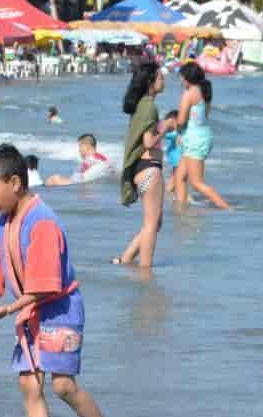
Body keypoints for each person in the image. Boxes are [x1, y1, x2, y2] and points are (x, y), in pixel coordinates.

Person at [0, 143, 123, 417]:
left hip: (59, 310)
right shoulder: (2, 225)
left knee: (63, 385)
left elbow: (46, 284)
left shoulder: (43, 222)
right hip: (28, 313)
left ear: (15, 183)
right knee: (28, 383)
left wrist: (6, 309)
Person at [114, 62, 165, 269]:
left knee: (154, 223)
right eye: (160, 77)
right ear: (151, 82)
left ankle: (126, 258)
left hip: (141, 170)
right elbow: (148, 142)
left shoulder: (141, 105)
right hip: (150, 169)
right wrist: (166, 128)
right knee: (152, 224)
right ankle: (145, 271)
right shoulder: (149, 107)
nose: (164, 80)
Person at [175, 61, 232, 210]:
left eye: (181, 78)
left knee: (196, 183)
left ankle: (227, 209)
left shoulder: (188, 94)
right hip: (200, 136)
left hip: (194, 140)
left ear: (187, 78)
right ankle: (181, 210)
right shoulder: (204, 91)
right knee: (180, 178)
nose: (180, 81)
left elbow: (181, 120)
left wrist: (172, 127)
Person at [44, 134, 113, 187]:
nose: (79, 150)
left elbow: (81, 179)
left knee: (54, 178)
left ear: (86, 146)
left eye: (80, 146)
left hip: (84, 184)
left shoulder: (91, 159)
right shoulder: (100, 158)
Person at [161, 111, 185, 201]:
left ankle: (174, 199)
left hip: (180, 163)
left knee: (172, 184)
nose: (170, 126)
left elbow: (163, 134)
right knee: (179, 181)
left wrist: (165, 126)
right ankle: (178, 198)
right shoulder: (181, 132)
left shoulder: (177, 133)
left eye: (171, 123)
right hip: (179, 163)